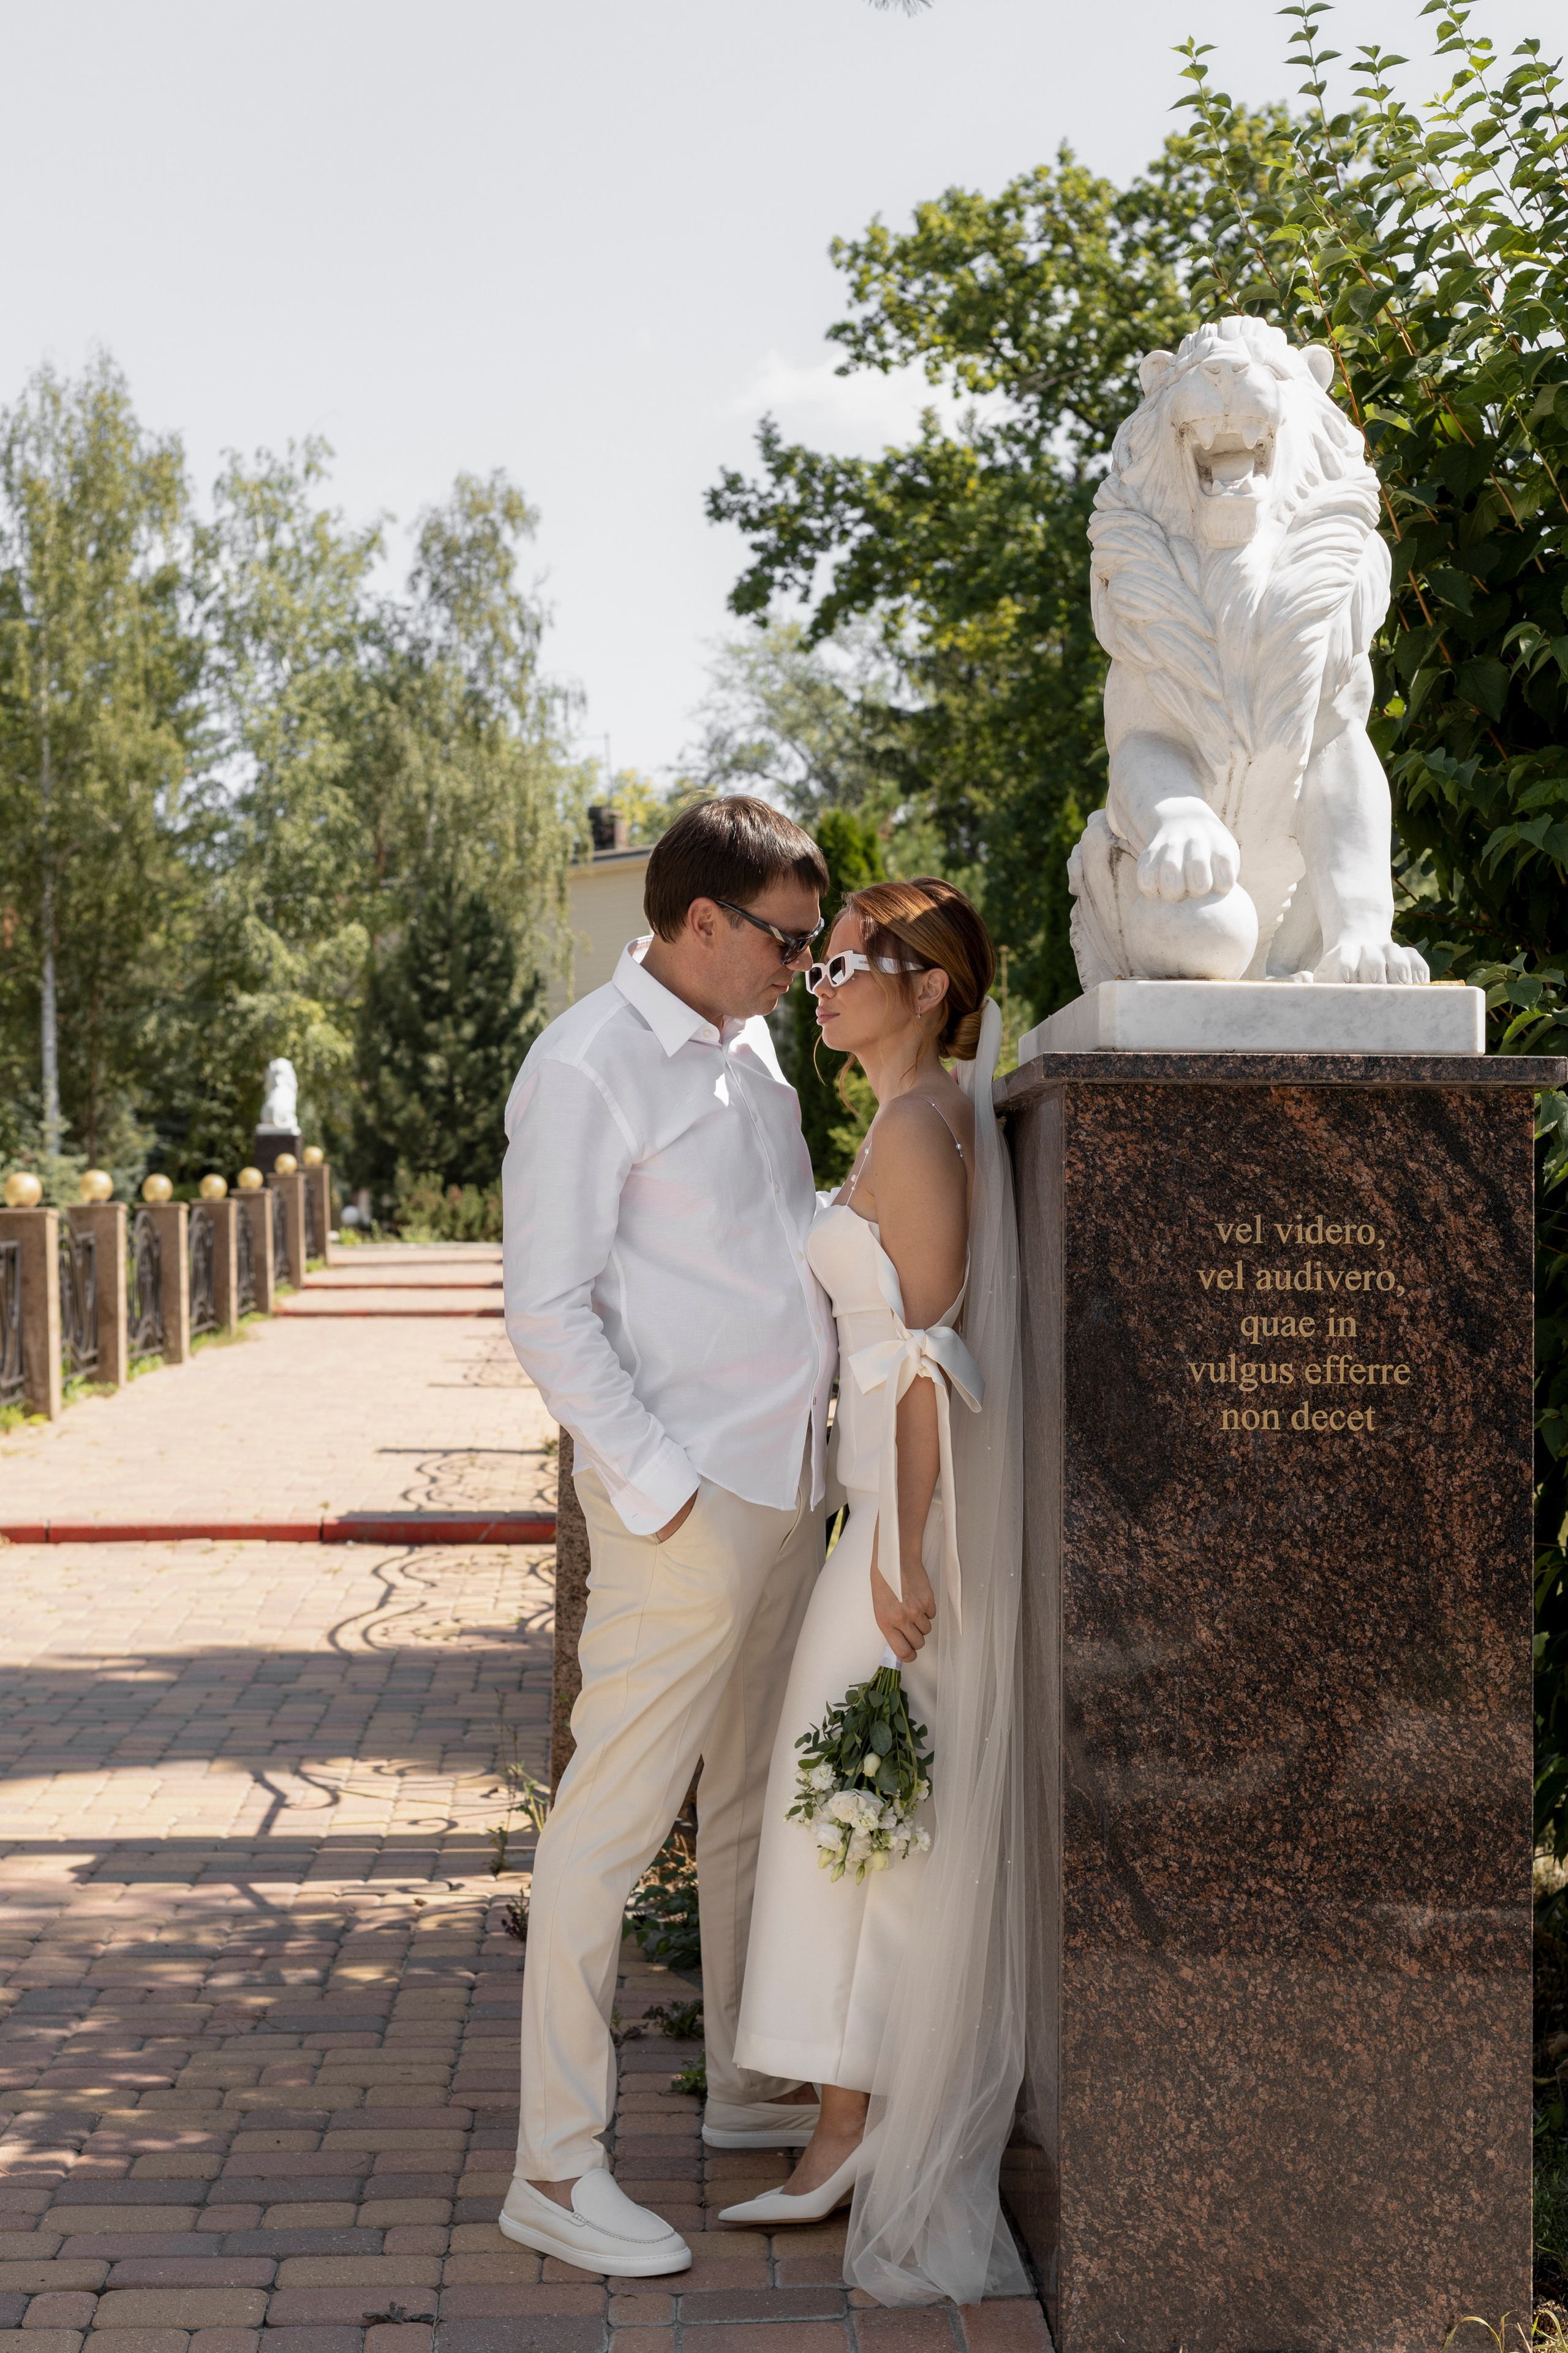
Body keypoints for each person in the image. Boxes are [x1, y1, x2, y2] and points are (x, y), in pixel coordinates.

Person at [498, 796, 837, 2279]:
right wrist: (658, 1487)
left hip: (790, 1492)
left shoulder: (752, 1047)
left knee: (756, 1800)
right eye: (784, 938)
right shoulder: (587, 1065)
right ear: (697, 921)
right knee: (610, 1828)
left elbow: (767, 1255)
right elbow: (545, 1305)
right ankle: (556, 2169)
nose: (803, 967)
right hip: (681, 1507)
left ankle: (752, 2094)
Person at [720, 877, 1029, 2308]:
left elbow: (917, 1362)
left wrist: (900, 1547)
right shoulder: (913, 1116)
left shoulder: (918, 1129)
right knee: (867, 1806)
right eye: (824, 958)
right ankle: (847, 2118)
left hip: (900, 1529)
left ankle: (852, 2129)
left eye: (852, 962)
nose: (824, 979)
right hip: (881, 1515)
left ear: (929, 986)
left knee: (852, 1803)